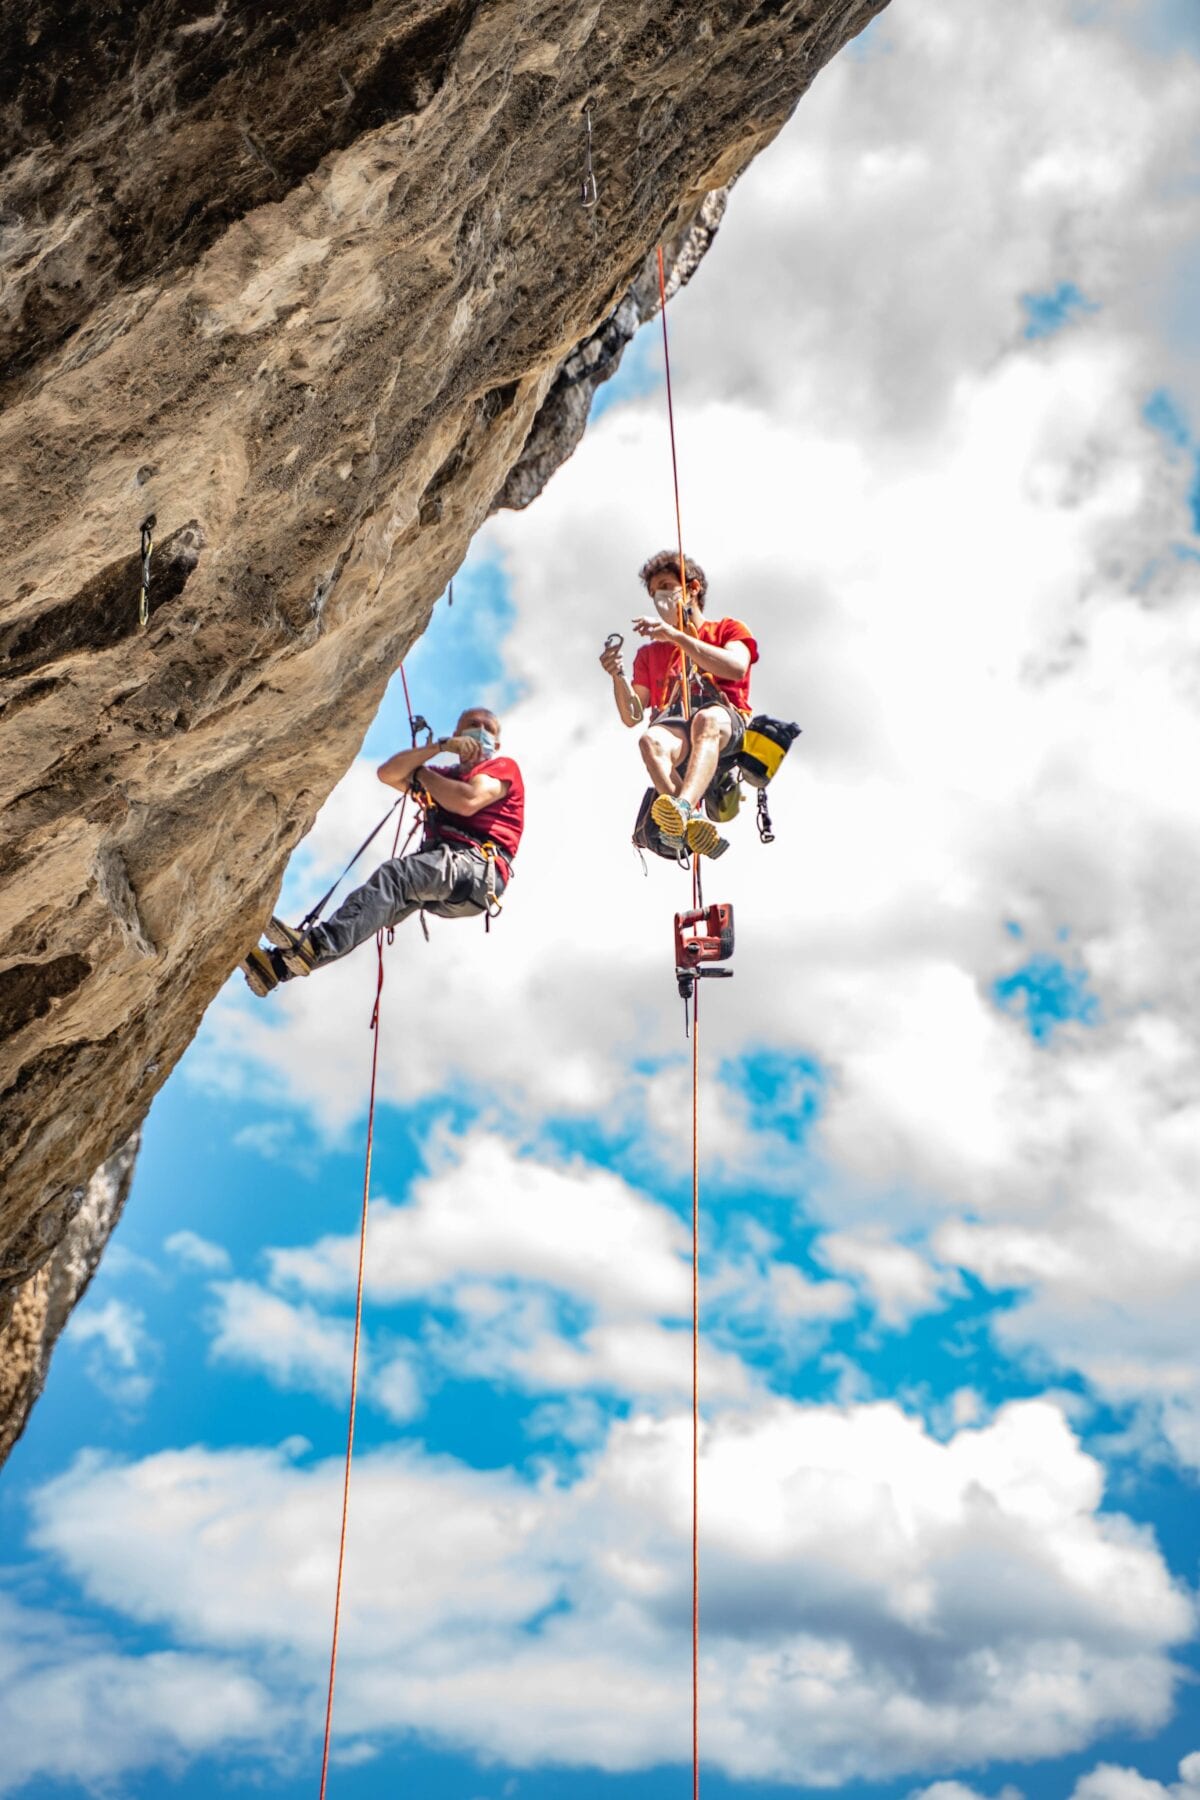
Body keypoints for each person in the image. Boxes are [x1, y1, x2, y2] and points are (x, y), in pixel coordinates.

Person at [242, 706, 523, 996]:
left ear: (497, 745)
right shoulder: (445, 777)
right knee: (378, 906)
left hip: (478, 868)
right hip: (459, 885)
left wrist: (421, 775)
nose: (479, 731)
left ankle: (316, 944)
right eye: (472, 724)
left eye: (487, 728)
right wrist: (438, 748)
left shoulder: (500, 769)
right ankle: (278, 968)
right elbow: (388, 773)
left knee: (395, 877)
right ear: (456, 735)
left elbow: (468, 800)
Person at [599, 551, 757, 858]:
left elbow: (736, 667)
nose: (660, 597)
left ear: (692, 588)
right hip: (677, 729)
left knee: (706, 722)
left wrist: (677, 637)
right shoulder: (649, 655)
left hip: (723, 725)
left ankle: (683, 807)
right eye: (654, 592)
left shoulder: (727, 629)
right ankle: (687, 822)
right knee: (649, 740)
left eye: (667, 585)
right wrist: (617, 676)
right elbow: (633, 715)